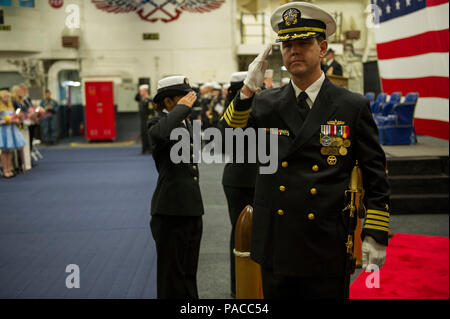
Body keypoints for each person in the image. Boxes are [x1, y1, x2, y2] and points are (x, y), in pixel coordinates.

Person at [219, 2, 390, 299]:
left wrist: (375, 234)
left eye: (303, 43)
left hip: (325, 244)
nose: (293, 50)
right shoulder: (264, 104)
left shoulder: (351, 106)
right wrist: (246, 90)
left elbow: (376, 177)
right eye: (287, 44)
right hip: (276, 242)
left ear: (322, 48)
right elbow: (225, 143)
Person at [148, 75, 204, 299]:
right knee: (171, 277)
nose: (190, 101)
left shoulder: (184, 122)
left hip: (190, 207)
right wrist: (181, 109)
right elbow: (161, 133)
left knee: (188, 273)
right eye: (184, 97)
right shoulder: (156, 124)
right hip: (170, 210)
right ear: (168, 102)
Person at [221, 71, 258, 298]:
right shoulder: (234, 112)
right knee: (241, 235)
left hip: (254, 179)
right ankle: (239, 288)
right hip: (241, 181)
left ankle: (253, 284)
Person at [0, 90, 26, 178]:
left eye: (8, 97)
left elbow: (14, 117)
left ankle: (9, 169)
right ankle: (5, 170)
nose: (7, 99)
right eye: (5, 97)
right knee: (4, 151)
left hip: (11, 129)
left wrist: (16, 120)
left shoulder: (11, 107)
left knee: (9, 150)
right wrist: (5, 121)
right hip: (3, 130)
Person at [138, 84, 154, 154]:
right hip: (143, 120)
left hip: (148, 120)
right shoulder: (142, 100)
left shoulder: (149, 100)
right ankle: (144, 150)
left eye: (141, 91)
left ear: (145, 91)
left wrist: (149, 121)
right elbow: (135, 97)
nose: (140, 92)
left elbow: (151, 112)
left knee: (149, 136)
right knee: (143, 135)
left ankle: (150, 150)